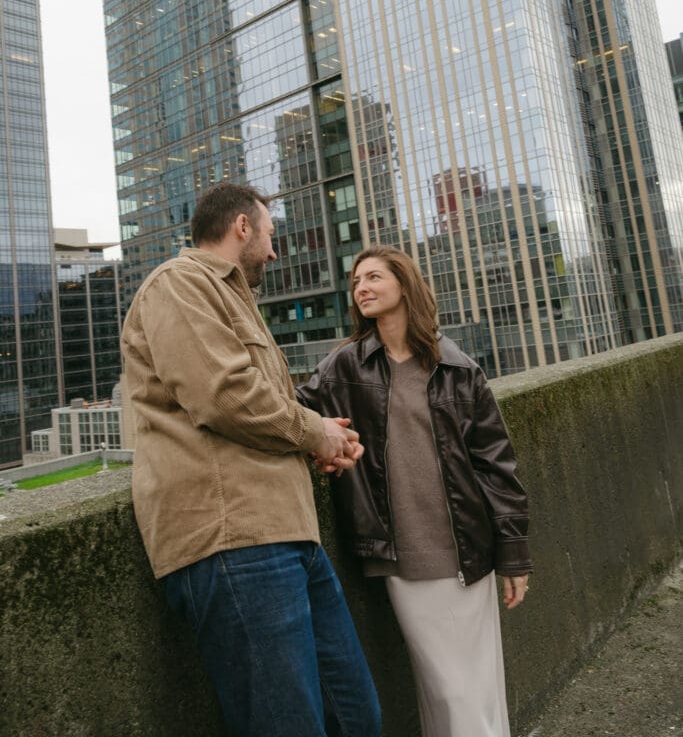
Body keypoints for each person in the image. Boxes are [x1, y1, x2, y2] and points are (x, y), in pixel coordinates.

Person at [121, 182, 381, 737]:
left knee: (357, 716)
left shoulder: (238, 303)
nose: (273, 251)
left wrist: (318, 439)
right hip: (234, 542)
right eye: (269, 235)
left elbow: (261, 409)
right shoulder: (179, 283)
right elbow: (226, 396)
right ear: (242, 227)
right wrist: (314, 433)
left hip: (288, 534)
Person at [297, 244, 532, 737]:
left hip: (469, 550)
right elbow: (293, 409)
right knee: (447, 687)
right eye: (357, 281)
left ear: (404, 285)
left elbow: (496, 466)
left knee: (478, 685)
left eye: (374, 277)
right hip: (402, 555)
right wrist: (321, 435)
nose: (362, 287)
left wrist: (514, 555)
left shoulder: (458, 368)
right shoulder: (345, 366)